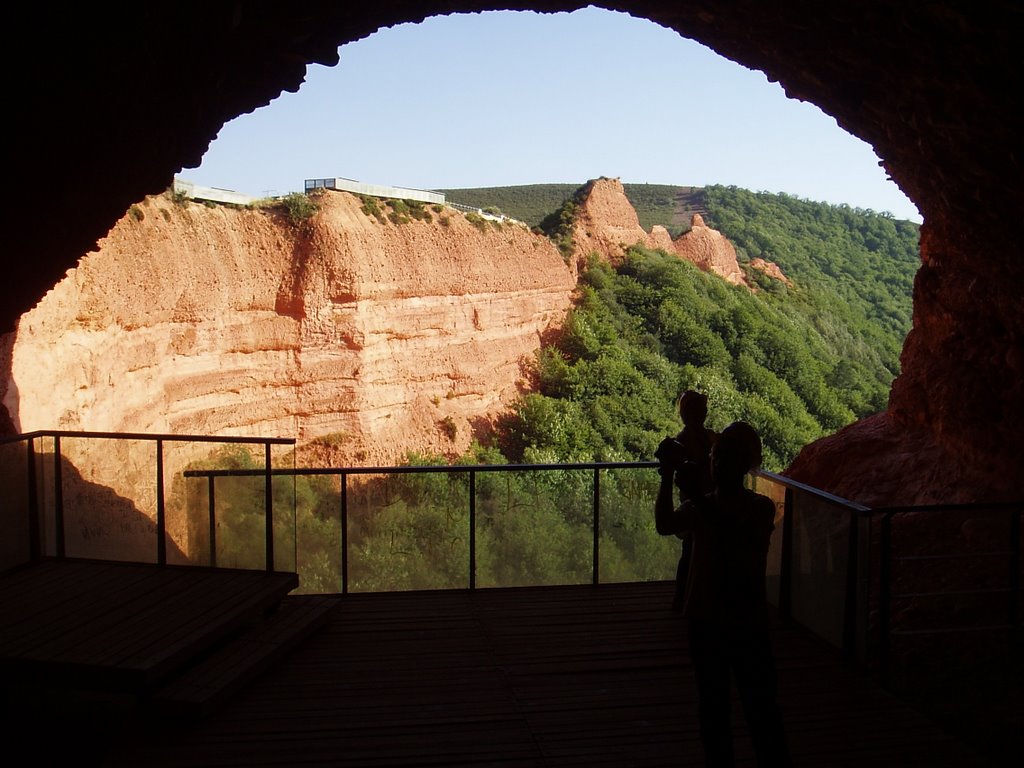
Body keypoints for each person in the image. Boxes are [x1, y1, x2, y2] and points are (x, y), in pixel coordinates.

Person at [655, 421, 792, 768]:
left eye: (723, 457)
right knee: (751, 706)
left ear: (743, 464)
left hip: (717, 619)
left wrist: (691, 491)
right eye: (716, 456)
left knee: (725, 707)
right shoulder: (747, 506)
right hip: (739, 620)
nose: (717, 464)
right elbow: (665, 525)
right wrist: (666, 475)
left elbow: (728, 533)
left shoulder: (757, 507)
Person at [654, 390, 718, 611]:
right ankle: (684, 597)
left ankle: (682, 598)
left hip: (695, 500)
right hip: (703, 500)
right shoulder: (708, 438)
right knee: (692, 550)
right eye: (699, 409)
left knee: (691, 550)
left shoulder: (685, 440)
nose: (703, 412)